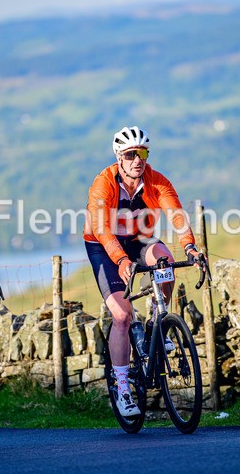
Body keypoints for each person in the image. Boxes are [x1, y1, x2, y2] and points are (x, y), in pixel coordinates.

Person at [83, 126, 201, 417]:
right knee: (122, 316)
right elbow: (100, 229)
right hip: (104, 245)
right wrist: (121, 261)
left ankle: (155, 322)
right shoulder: (103, 184)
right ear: (119, 158)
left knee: (165, 262)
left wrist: (190, 248)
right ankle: (123, 389)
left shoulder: (156, 181)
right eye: (130, 154)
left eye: (143, 153)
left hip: (139, 240)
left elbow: (176, 215)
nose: (138, 160)